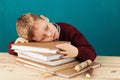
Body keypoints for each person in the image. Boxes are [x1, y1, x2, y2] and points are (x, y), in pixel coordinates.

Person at [8, 13, 96, 62]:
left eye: (46, 27)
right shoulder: (34, 40)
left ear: (45, 19)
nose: (49, 34)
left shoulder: (69, 30)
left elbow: (92, 53)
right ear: (33, 41)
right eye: (43, 38)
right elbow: (10, 47)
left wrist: (77, 52)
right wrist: (18, 45)